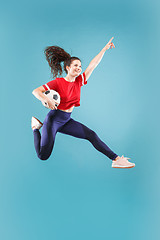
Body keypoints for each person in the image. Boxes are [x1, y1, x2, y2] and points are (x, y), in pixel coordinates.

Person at [31, 37, 135, 168]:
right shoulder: (58, 82)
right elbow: (36, 91)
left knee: (91, 135)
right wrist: (47, 99)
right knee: (43, 156)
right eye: (75, 65)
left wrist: (104, 49)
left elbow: (93, 64)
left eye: (80, 66)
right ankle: (35, 128)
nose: (79, 68)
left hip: (67, 120)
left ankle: (116, 159)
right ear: (67, 67)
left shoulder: (79, 81)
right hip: (53, 120)